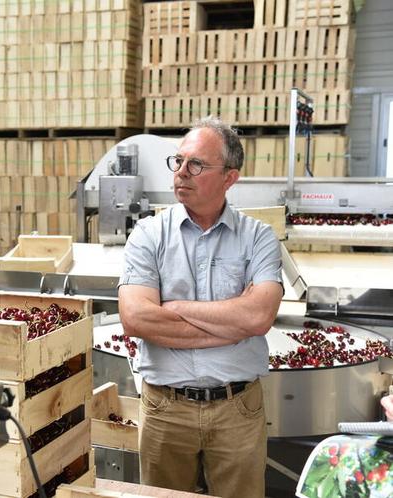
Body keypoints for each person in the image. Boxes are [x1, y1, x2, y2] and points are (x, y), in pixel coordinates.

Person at [118, 117, 284, 498]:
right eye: (178, 161)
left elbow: (258, 317)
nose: (181, 173)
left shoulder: (258, 238)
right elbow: (136, 317)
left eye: (196, 164)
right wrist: (232, 320)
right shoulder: (148, 235)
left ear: (229, 177)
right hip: (166, 409)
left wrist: (173, 308)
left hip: (237, 409)